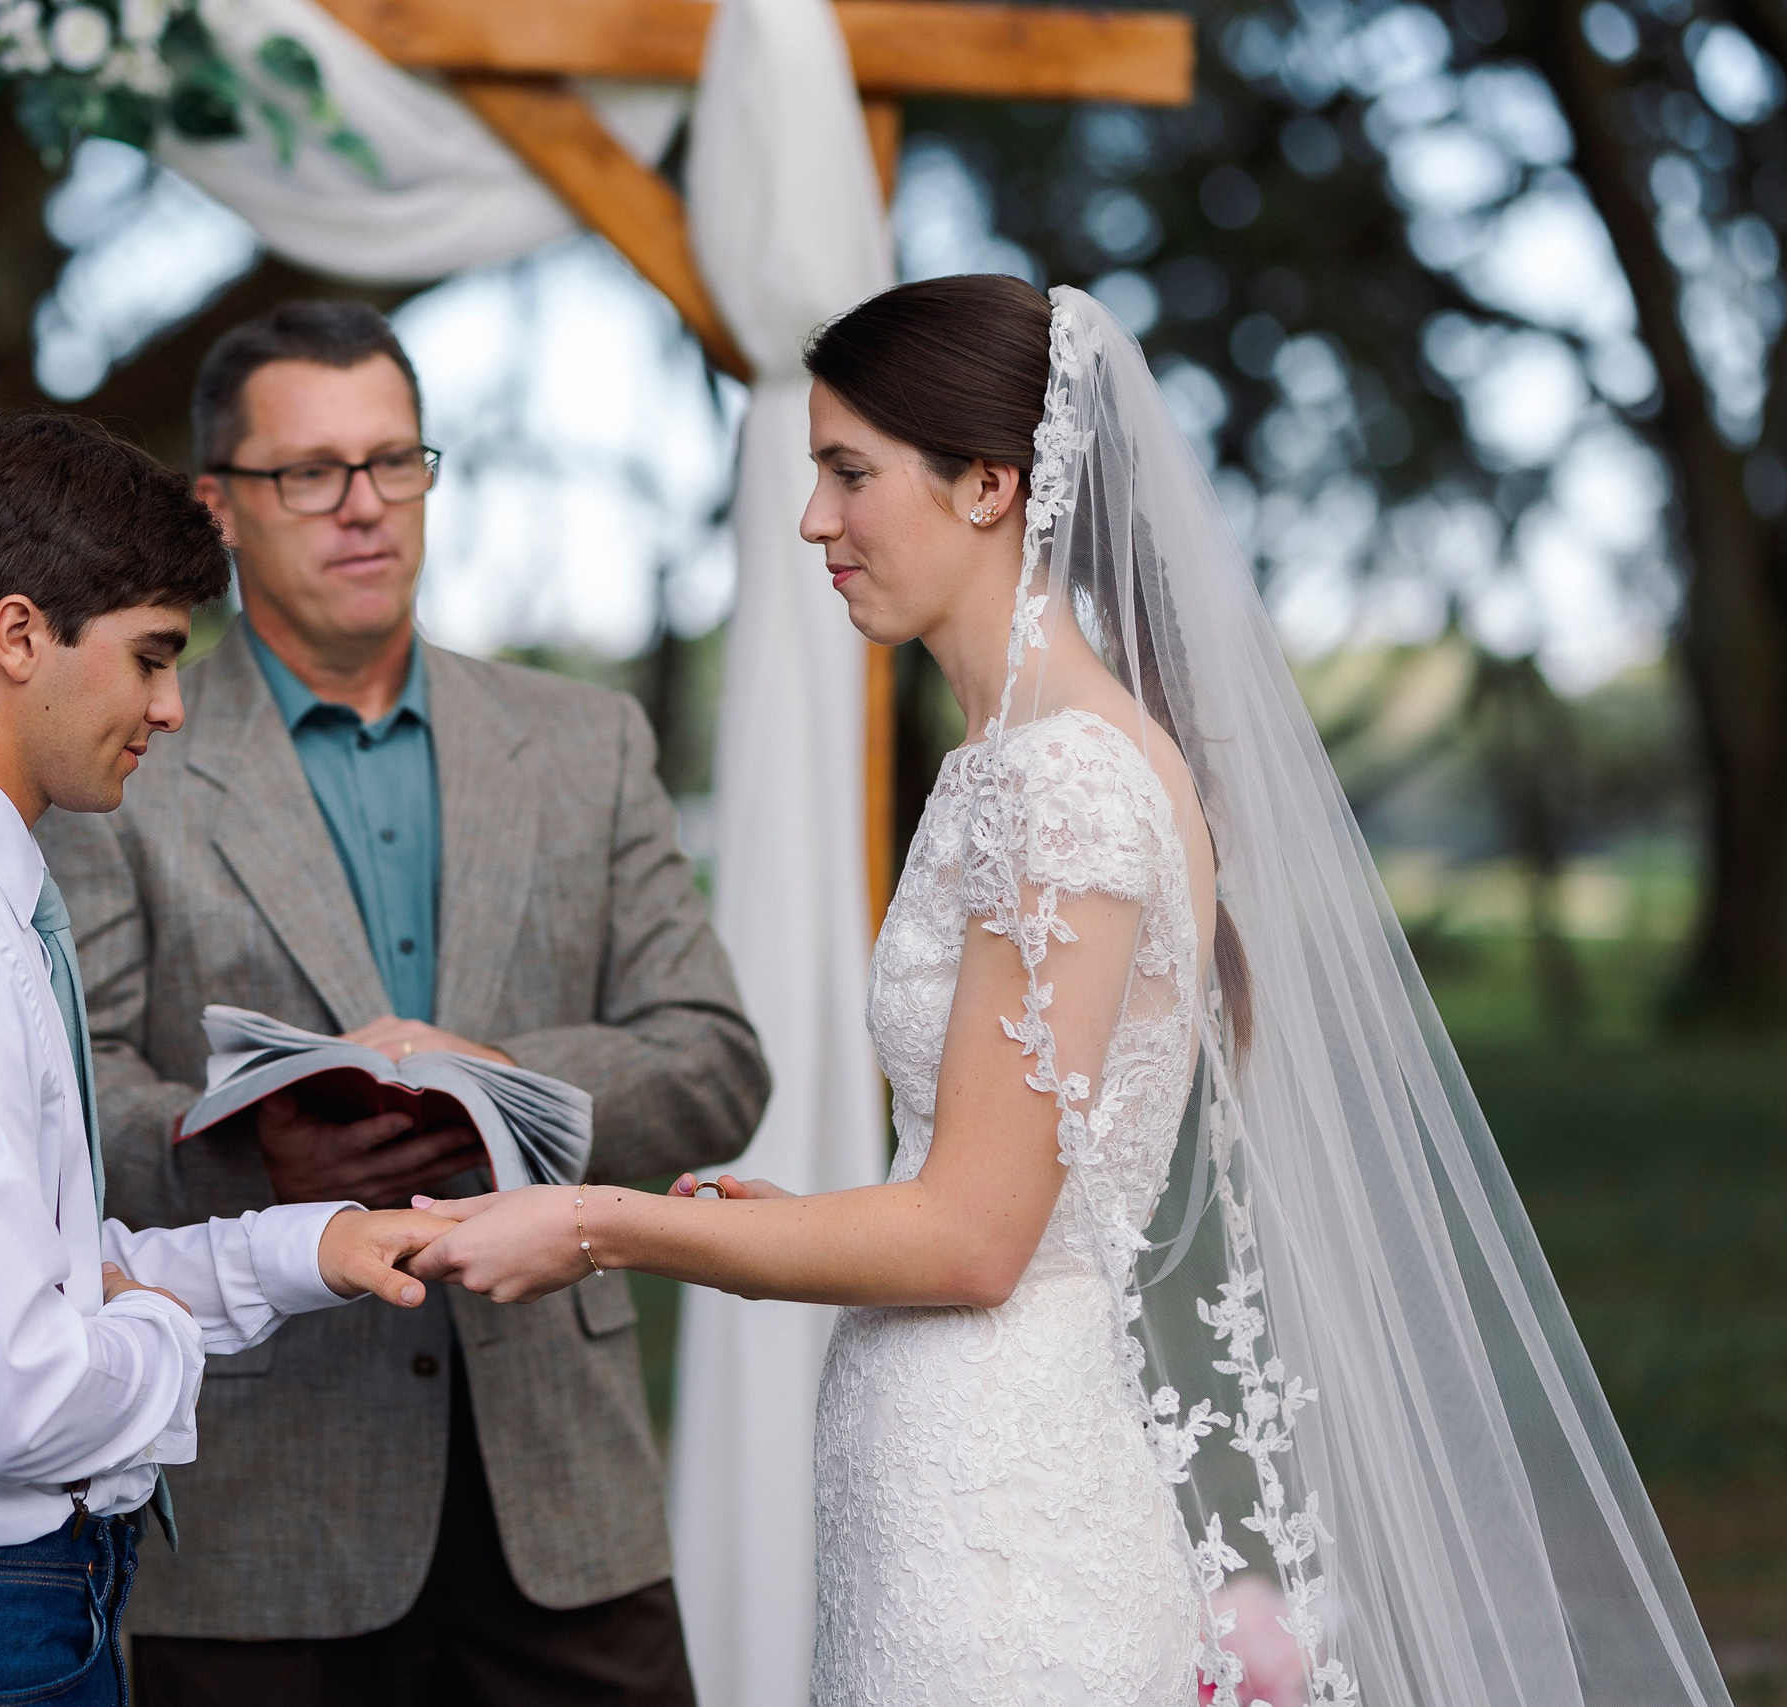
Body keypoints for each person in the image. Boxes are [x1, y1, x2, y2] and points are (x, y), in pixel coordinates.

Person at [409, 278, 1735, 1707]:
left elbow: (979, 1242)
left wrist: (601, 1224)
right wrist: (815, 1229)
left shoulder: (1066, 780)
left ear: (990, 485)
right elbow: (994, 1186)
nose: (814, 522)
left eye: (849, 472)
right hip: (949, 1474)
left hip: (998, 1532)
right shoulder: (1017, 757)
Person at [39, 301, 768, 1705]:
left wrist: (497, 1077)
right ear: (220, 510)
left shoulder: (583, 742)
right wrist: (247, 1151)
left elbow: (717, 1063)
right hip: (267, 1512)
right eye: (311, 473)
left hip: (564, 1498)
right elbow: (68, 1096)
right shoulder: (130, 751)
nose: (363, 507)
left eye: (396, 462)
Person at [0, 414, 451, 1707]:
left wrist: (304, 1248)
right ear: (16, 636)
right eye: (152, 657)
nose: (170, 706)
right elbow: (10, 1398)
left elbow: (54, 1287)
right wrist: (146, 1327)